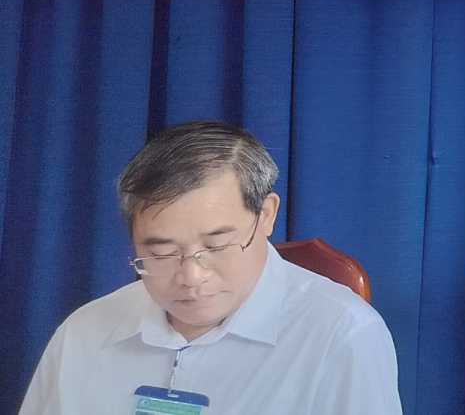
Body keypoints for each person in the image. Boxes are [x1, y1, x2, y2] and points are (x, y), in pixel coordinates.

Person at [19, 121, 402, 414]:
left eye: (216, 246)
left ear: (266, 215)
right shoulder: (86, 332)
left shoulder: (342, 335)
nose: (191, 277)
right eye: (161, 252)